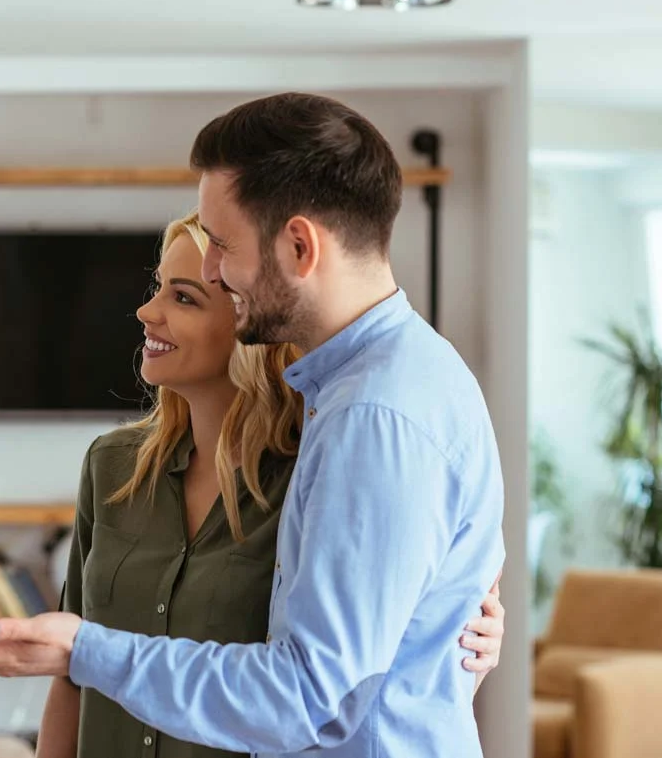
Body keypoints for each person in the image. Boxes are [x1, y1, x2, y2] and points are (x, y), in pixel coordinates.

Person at [0, 92, 506, 758]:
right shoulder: (379, 386)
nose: (215, 268)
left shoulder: (371, 416)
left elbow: (307, 697)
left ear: (300, 246)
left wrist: (86, 648)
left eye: (222, 247)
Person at [26, 211, 505, 758]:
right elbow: (71, 673)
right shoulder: (111, 466)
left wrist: (457, 642)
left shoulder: (321, 476)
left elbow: (370, 667)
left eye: (183, 298)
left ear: (249, 324)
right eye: (159, 288)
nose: (146, 311)